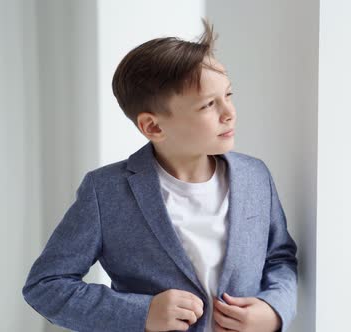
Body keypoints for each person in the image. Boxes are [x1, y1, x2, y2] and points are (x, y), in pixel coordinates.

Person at [21, 17, 298, 332]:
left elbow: (280, 258)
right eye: (209, 105)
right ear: (153, 126)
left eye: (229, 95)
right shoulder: (106, 191)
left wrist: (275, 310)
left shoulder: (255, 176)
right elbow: (46, 285)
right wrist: (142, 312)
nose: (229, 112)